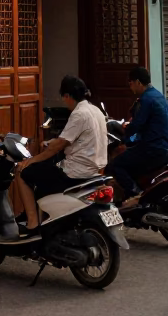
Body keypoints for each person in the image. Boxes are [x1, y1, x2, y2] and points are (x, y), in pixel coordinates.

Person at [15, 75, 107, 234]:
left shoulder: (79, 114)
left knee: (23, 172)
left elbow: (56, 148)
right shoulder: (95, 110)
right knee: (43, 176)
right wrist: (53, 143)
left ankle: (32, 223)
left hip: (75, 173)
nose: (64, 101)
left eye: (64, 98)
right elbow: (75, 139)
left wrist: (31, 161)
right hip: (95, 171)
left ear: (67, 96)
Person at [110, 67, 168, 210]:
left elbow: (136, 125)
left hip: (150, 148)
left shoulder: (146, 99)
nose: (130, 87)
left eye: (131, 83)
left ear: (138, 82)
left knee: (116, 165)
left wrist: (124, 137)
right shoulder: (158, 96)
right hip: (162, 145)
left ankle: (135, 195)